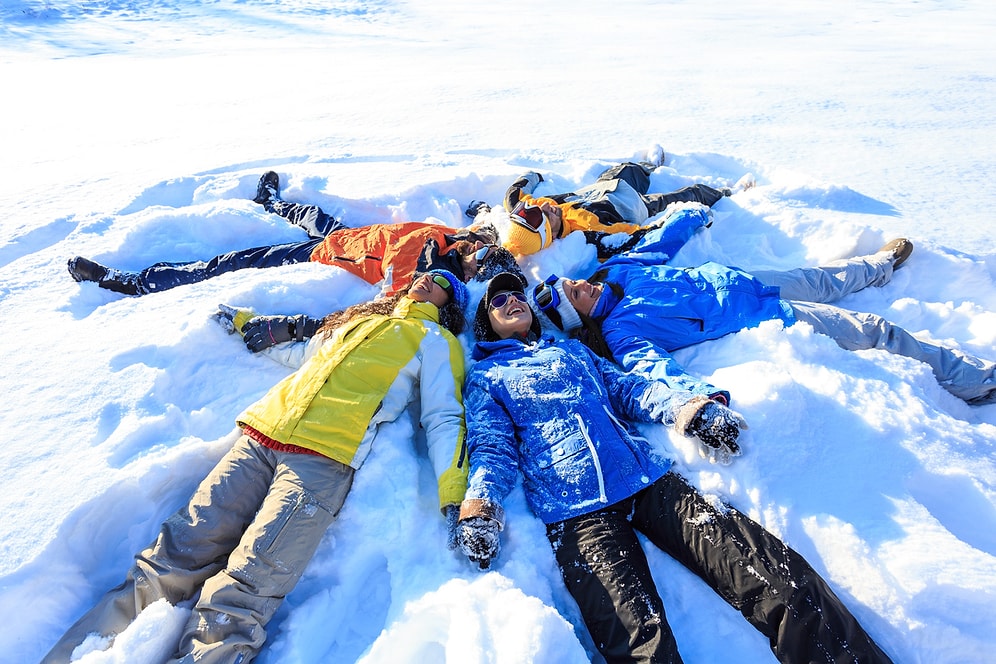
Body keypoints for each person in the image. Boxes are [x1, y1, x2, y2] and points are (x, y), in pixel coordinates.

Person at [454, 272, 893, 664]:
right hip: (576, 513)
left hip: (649, 480)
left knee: (771, 578)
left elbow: (629, 391)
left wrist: (689, 410)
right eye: (497, 300)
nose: (511, 301)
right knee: (642, 647)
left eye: (517, 294)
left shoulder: (573, 353)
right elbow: (492, 447)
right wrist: (481, 505)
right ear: (485, 323)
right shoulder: (488, 376)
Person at [42, 269, 471, 664]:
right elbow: (303, 353)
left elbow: (443, 416)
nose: (427, 278)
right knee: (173, 555)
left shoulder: (436, 341)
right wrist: (250, 324)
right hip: (260, 437)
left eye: (442, 281)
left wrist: (455, 494)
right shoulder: (355, 322)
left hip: (323, 459)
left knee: (248, 585)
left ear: (451, 302)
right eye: (426, 273)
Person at [530, 216, 996, 406]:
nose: (576, 284)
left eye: (569, 282)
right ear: (581, 319)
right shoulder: (623, 332)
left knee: (827, 277)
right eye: (574, 295)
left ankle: (880, 265)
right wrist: (699, 396)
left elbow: (659, 245)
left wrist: (689, 216)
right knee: (874, 330)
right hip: (768, 317)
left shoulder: (617, 270)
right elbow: (653, 368)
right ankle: (975, 380)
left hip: (747, 281)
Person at [67, 171, 521, 296]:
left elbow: (396, 288)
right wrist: (481, 213)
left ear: (468, 270)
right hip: (357, 234)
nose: (473, 251)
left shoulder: (430, 265)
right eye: (479, 249)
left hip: (324, 255)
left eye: (476, 260)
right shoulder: (466, 240)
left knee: (229, 263)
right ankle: (271, 202)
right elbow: (489, 225)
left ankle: (133, 282)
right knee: (308, 210)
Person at [467, 160, 752, 258]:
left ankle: (650, 164)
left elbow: (513, 197)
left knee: (628, 169)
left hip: (603, 187)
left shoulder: (530, 211)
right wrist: (677, 223)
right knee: (689, 194)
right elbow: (634, 235)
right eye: (541, 214)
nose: (542, 205)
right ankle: (728, 192)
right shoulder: (587, 232)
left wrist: (532, 178)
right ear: (548, 233)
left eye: (528, 210)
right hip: (631, 205)